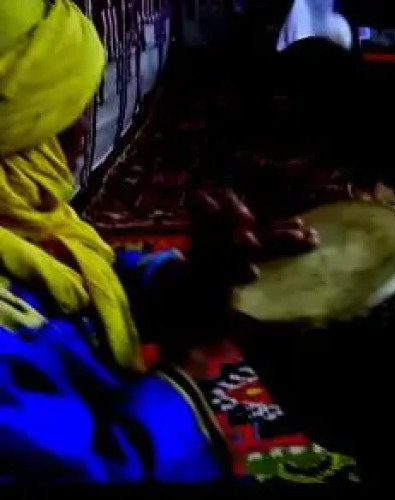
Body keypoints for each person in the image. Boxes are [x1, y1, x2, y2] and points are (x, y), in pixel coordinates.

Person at [0, 0, 314, 481]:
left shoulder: (24, 227)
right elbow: (96, 472)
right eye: (57, 120)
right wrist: (185, 370)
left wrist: (199, 279)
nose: (82, 133)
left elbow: (82, 290)